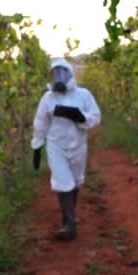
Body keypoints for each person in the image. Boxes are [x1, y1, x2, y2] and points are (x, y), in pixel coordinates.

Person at [31, 58, 101, 240]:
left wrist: (79, 116)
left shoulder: (83, 95)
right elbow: (40, 122)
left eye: (63, 72)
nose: (59, 77)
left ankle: (68, 216)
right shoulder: (47, 98)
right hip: (56, 146)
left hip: (78, 145)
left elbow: (95, 117)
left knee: (75, 181)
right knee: (62, 181)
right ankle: (70, 225)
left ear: (70, 74)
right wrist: (37, 145)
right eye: (56, 73)